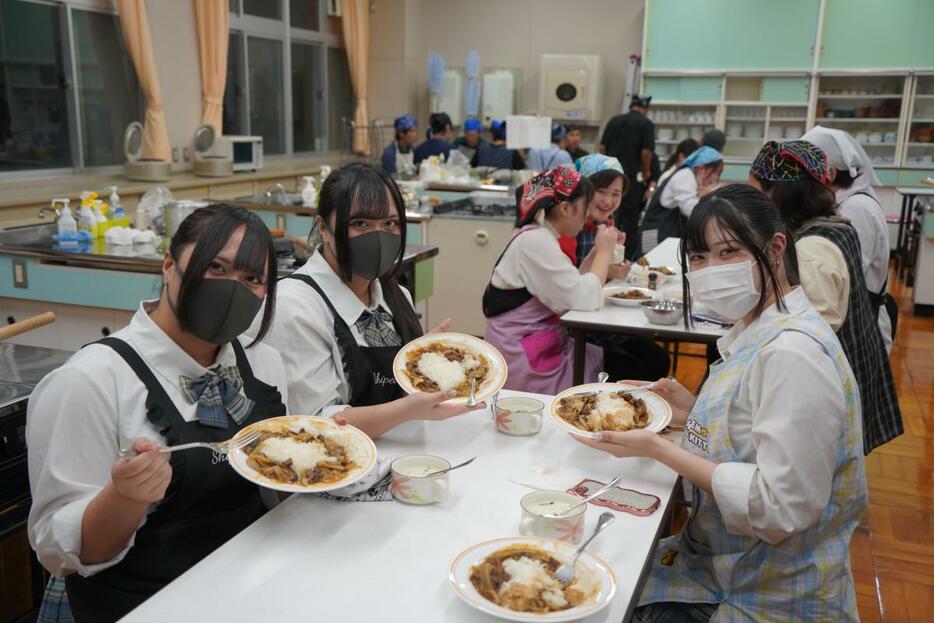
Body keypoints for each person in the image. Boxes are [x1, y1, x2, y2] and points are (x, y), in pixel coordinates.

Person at [576, 184, 868, 622]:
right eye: (698, 258)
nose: (711, 270)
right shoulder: (763, 329)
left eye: (729, 252)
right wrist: (691, 411)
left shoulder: (793, 354)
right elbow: (758, 432)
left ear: (775, 248)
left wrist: (661, 449)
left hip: (763, 593)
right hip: (722, 563)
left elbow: (780, 508)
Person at [27, 205, 289, 621]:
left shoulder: (263, 362)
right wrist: (125, 498)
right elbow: (61, 556)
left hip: (244, 589)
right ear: (169, 264)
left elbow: (270, 491)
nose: (232, 288)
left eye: (253, 279)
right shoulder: (89, 382)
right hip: (138, 605)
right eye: (216, 267)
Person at [252, 162, 485, 438]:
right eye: (360, 223)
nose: (378, 236)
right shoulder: (295, 308)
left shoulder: (395, 295)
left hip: (402, 454)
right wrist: (407, 410)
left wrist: (424, 361)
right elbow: (316, 423)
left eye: (390, 223)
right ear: (323, 228)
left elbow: (398, 391)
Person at [749, 140, 902, 454]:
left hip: (826, 386)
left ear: (778, 195)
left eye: (756, 195)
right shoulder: (831, 227)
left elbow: (809, 337)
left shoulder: (811, 250)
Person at [483, 166, 659, 394]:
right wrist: (604, 253)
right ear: (565, 208)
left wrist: (598, 251)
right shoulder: (535, 241)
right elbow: (583, 298)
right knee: (636, 368)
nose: (587, 215)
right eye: (585, 207)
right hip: (525, 358)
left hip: (541, 343)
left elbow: (576, 284)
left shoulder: (539, 236)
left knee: (643, 359)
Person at [802, 125, 895, 352]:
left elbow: (843, 276)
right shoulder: (844, 203)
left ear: (830, 174)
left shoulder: (857, 209)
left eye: (804, 174)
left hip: (862, 323)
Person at [599, 94, 656, 260]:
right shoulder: (645, 124)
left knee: (607, 216)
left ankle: (607, 253)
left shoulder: (614, 120)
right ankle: (626, 258)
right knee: (630, 221)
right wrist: (645, 172)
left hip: (609, 176)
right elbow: (646, 151)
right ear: (645, 109)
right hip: (630, 180)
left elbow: (602, 147)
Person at [640, 145, 723, 254]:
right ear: (702, 168)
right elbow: (690, 209)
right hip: (654, 233)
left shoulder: (688, 175)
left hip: (661, 231)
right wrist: (706, 195)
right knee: (650, 266)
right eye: (715, 173)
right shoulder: (685, 176)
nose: (715, 178)